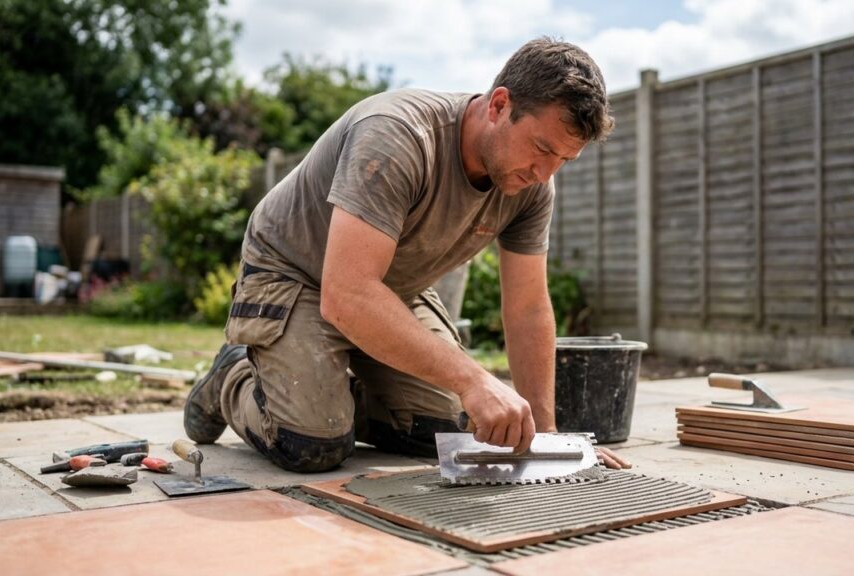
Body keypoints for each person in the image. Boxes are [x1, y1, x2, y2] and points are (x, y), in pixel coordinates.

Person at [184, 37, 631, 472]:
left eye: (563, 160)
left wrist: (545, 434)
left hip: (390, 287)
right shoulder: (397, 136)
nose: (544, 173)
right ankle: (235, 374)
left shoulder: (531, 186)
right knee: (312, 444)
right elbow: (348, 294)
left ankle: (326, 389)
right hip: (296, 273)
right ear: (499, 106)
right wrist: (474, 380)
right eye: (542, 148)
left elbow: (529, 307)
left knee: (446, 431)